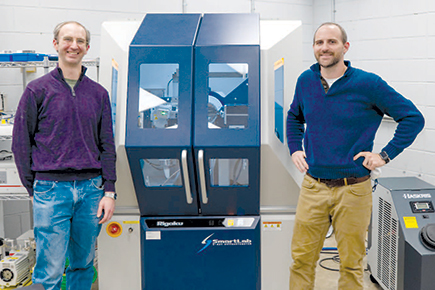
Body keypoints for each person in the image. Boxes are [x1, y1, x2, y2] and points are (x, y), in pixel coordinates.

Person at [286, 22, 424, 289]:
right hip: (313, 187)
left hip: (353, 190)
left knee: (351, 265)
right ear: (314, 48)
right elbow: (294, 116)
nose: (324, 48)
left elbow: (413, 118)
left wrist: (385, 155)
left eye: (331, 42)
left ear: (345, 47)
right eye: (319, 43)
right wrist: (295, 148)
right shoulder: (306, 80)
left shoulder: (367, 84)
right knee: (301, 261)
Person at [12, 21, 116, 290]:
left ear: (87, 48)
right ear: (56, 44)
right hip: (51, 189)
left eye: (80, 41)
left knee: (83, 263)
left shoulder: (98, 94)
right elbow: (20, 143)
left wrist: (109, 191)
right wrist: (32, 186)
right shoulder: (37, 90)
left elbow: (107, 144)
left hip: (91, 190)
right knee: (50, 270)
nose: (74, 45)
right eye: (67, 39)